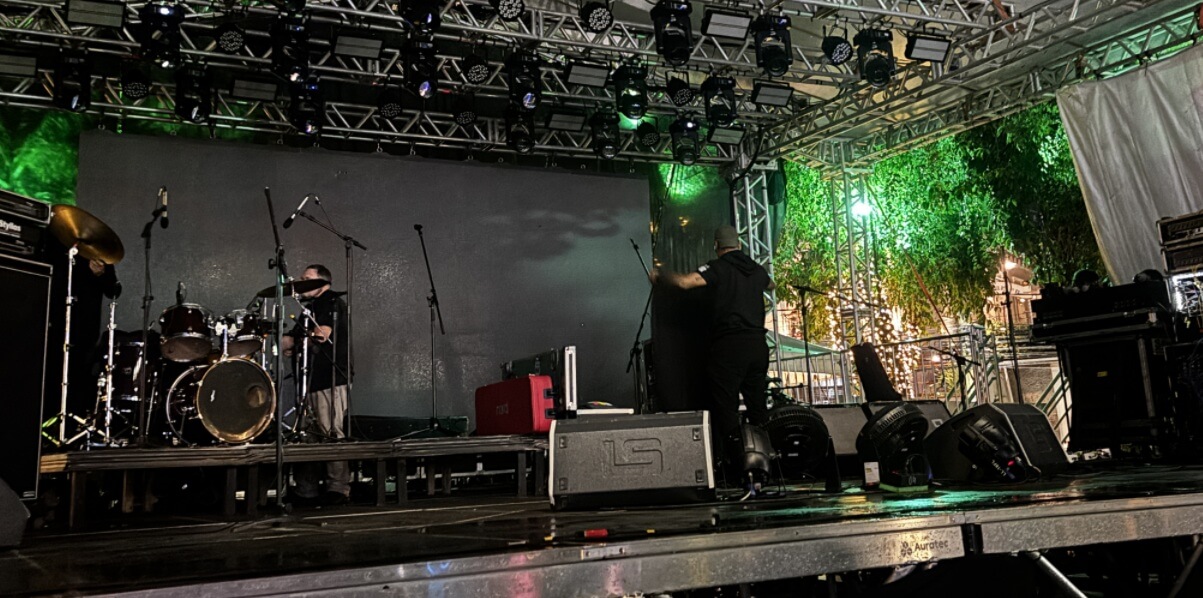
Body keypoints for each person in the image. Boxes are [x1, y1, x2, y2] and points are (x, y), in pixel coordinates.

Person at [650, 225, 775, 461]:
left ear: (717, 245)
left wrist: (661, 276)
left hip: (730, 346)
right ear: (739, 244)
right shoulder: (756, 269)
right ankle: (765, 460)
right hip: (758, 345)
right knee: (758, 407)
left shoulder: (718, 267)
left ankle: (732, 464)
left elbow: (687, 282)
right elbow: (771, 285)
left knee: (725, 408)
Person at [282, 264, 351, 506]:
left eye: (308, 278)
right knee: (307, 435)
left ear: (324, 282)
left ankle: (338, 488)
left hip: (327, 378)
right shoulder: (309, 309)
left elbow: (322, 334)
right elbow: (290, 342)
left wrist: (296, 340)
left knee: (330, 431)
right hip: (308, 380)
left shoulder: (330, 303)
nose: (303, 282)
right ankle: (306, 489)